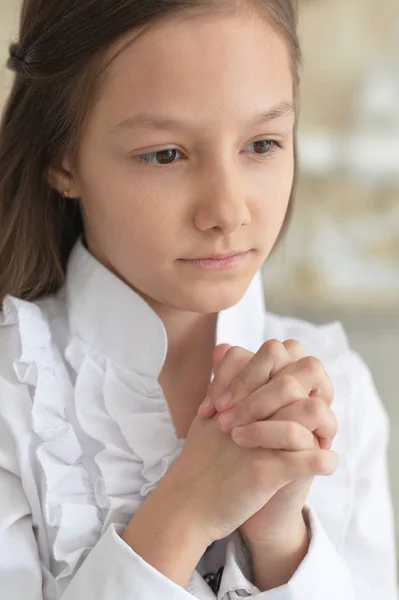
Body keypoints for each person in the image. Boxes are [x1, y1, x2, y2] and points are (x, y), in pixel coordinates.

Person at [0, 0, 397, 598]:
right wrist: (188, 509)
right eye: (166, 154)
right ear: (63, 158)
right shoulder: (12, 397)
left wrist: (281, 544)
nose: (228, 212)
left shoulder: (340, 389)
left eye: (261, 145)